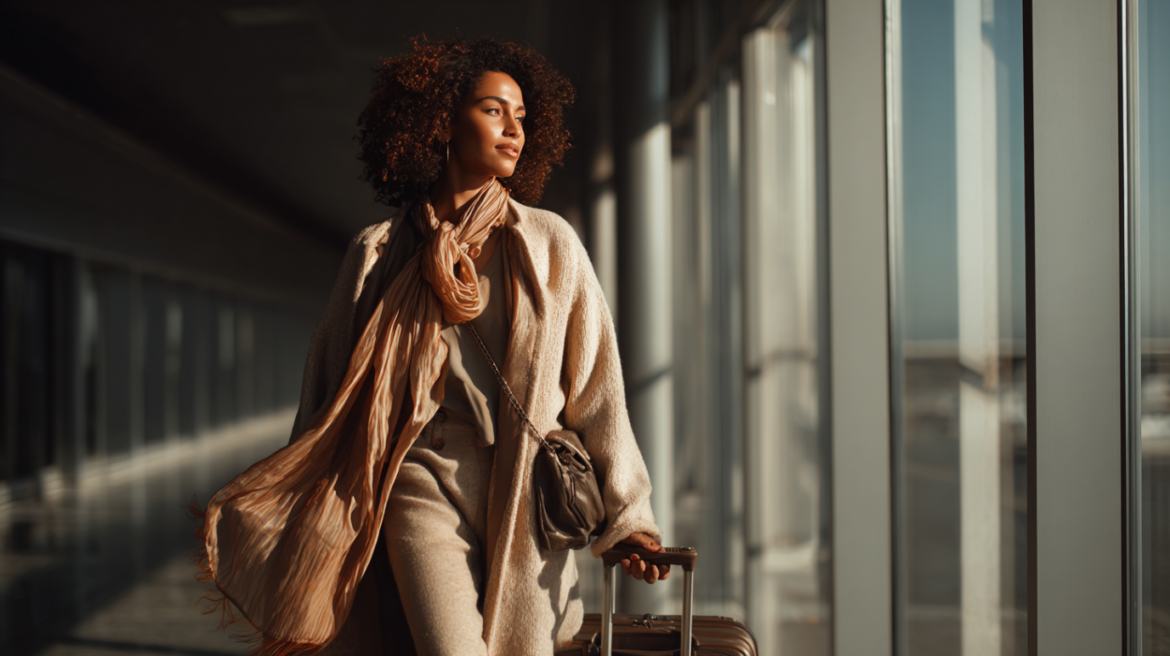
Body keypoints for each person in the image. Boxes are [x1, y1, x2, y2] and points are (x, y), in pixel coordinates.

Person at [191, 36, 666, 656]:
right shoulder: (378, 253)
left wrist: (630, 518)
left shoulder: (551, 244)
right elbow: (327, 395)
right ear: (442, 121)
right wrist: (310, 522)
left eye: (522, 116)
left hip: (525, 487)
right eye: (494, 110)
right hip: (419, 475)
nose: (513, 128)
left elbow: (598, 392)